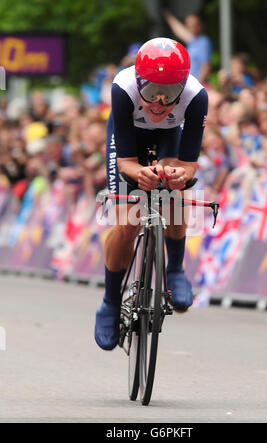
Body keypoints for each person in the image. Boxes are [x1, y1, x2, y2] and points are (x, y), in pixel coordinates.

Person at [94, 37, 208, 350]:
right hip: (128, 136)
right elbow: (127, 162)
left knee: (173, 193)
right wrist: (138, 174)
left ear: (182, 88)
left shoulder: (197, 96)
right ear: (139, 83)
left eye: (169, 94)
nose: (158, 102)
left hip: (170, 137)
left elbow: (188, 164)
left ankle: (175, 270)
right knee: (129, 219)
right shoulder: (123, 88)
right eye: (150, 92)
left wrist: (176, 175)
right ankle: (110, 302)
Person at [163, 10, 212, 84]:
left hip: (196, 85)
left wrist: (196, 86)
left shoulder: (203, 42)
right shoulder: (193, 40)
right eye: (189, 24)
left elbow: (206, 67)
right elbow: (179, 30)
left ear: (200, 25)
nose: (191, 26)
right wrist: (168, 16)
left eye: (194, 24)